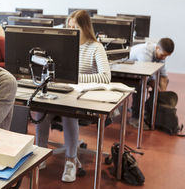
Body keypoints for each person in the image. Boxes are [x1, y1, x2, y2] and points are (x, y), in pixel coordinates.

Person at [36, 10, 111, 182]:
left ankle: (70, 161)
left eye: (76, 27)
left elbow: (106, 77)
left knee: (68, 113)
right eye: (69, 27)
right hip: (61, 92)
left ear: (85, 27)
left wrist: (75, 79)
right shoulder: (64, 46)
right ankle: (40, 155)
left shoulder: (96, 47)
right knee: (40, 111)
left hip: (83, 100)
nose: (72, 31)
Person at [128, 38, 175, 125]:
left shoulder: (161, 53)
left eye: (166, 56)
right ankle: (135, 117)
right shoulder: (145, 53)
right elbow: (147, 75)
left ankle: (150, 110)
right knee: (141, 85)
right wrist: (157, 89)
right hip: (125, 72)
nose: (164, 58)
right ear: (157, 48)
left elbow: (163, 75)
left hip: (139, 72)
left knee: (163, 82)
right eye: (163, 55)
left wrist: (163, 93)